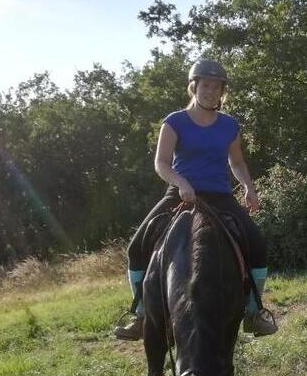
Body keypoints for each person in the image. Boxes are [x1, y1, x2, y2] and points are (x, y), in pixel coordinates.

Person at [113, 59, 278, 340]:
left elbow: (237, 162)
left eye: (217, 87)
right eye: (206, 86)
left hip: (220, 196)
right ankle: (140, 315)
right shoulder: (174, 122)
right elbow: (161, 163)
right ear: (194, 87)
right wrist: (181, 182)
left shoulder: (229, 125)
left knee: (257, 244)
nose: (211, 91)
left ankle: (253, 312)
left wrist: (248, 187)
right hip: (181, 193)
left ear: (222, 91)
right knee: (136, 247)